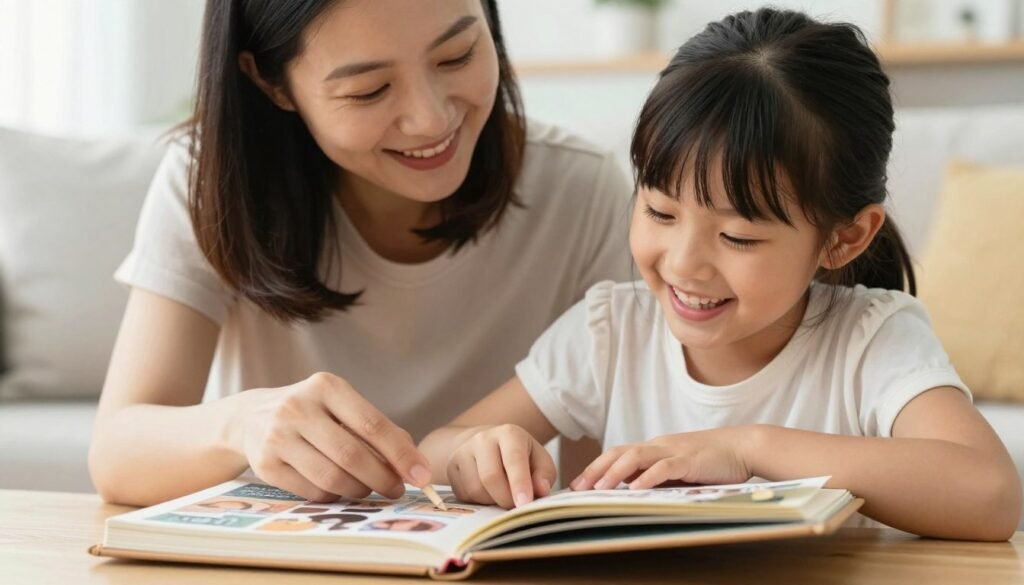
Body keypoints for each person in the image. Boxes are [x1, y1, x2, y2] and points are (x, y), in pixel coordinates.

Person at [419, 8, 1022, 540]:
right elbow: (435, 449)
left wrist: (746, 446)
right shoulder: (610, 331)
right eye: (659, 211)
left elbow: (991, 495)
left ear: (843, 238)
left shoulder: (871, 340)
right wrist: (478, 451)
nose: (683, 263)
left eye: (737, 236)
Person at [88, 0, 632, 507]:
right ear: (271, 82)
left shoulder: (579, 190)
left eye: (457, 55)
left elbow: (604, 491)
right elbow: (116, 451)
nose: (430, 119)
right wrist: (243, 425)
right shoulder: (212, 183)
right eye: (369, 90)